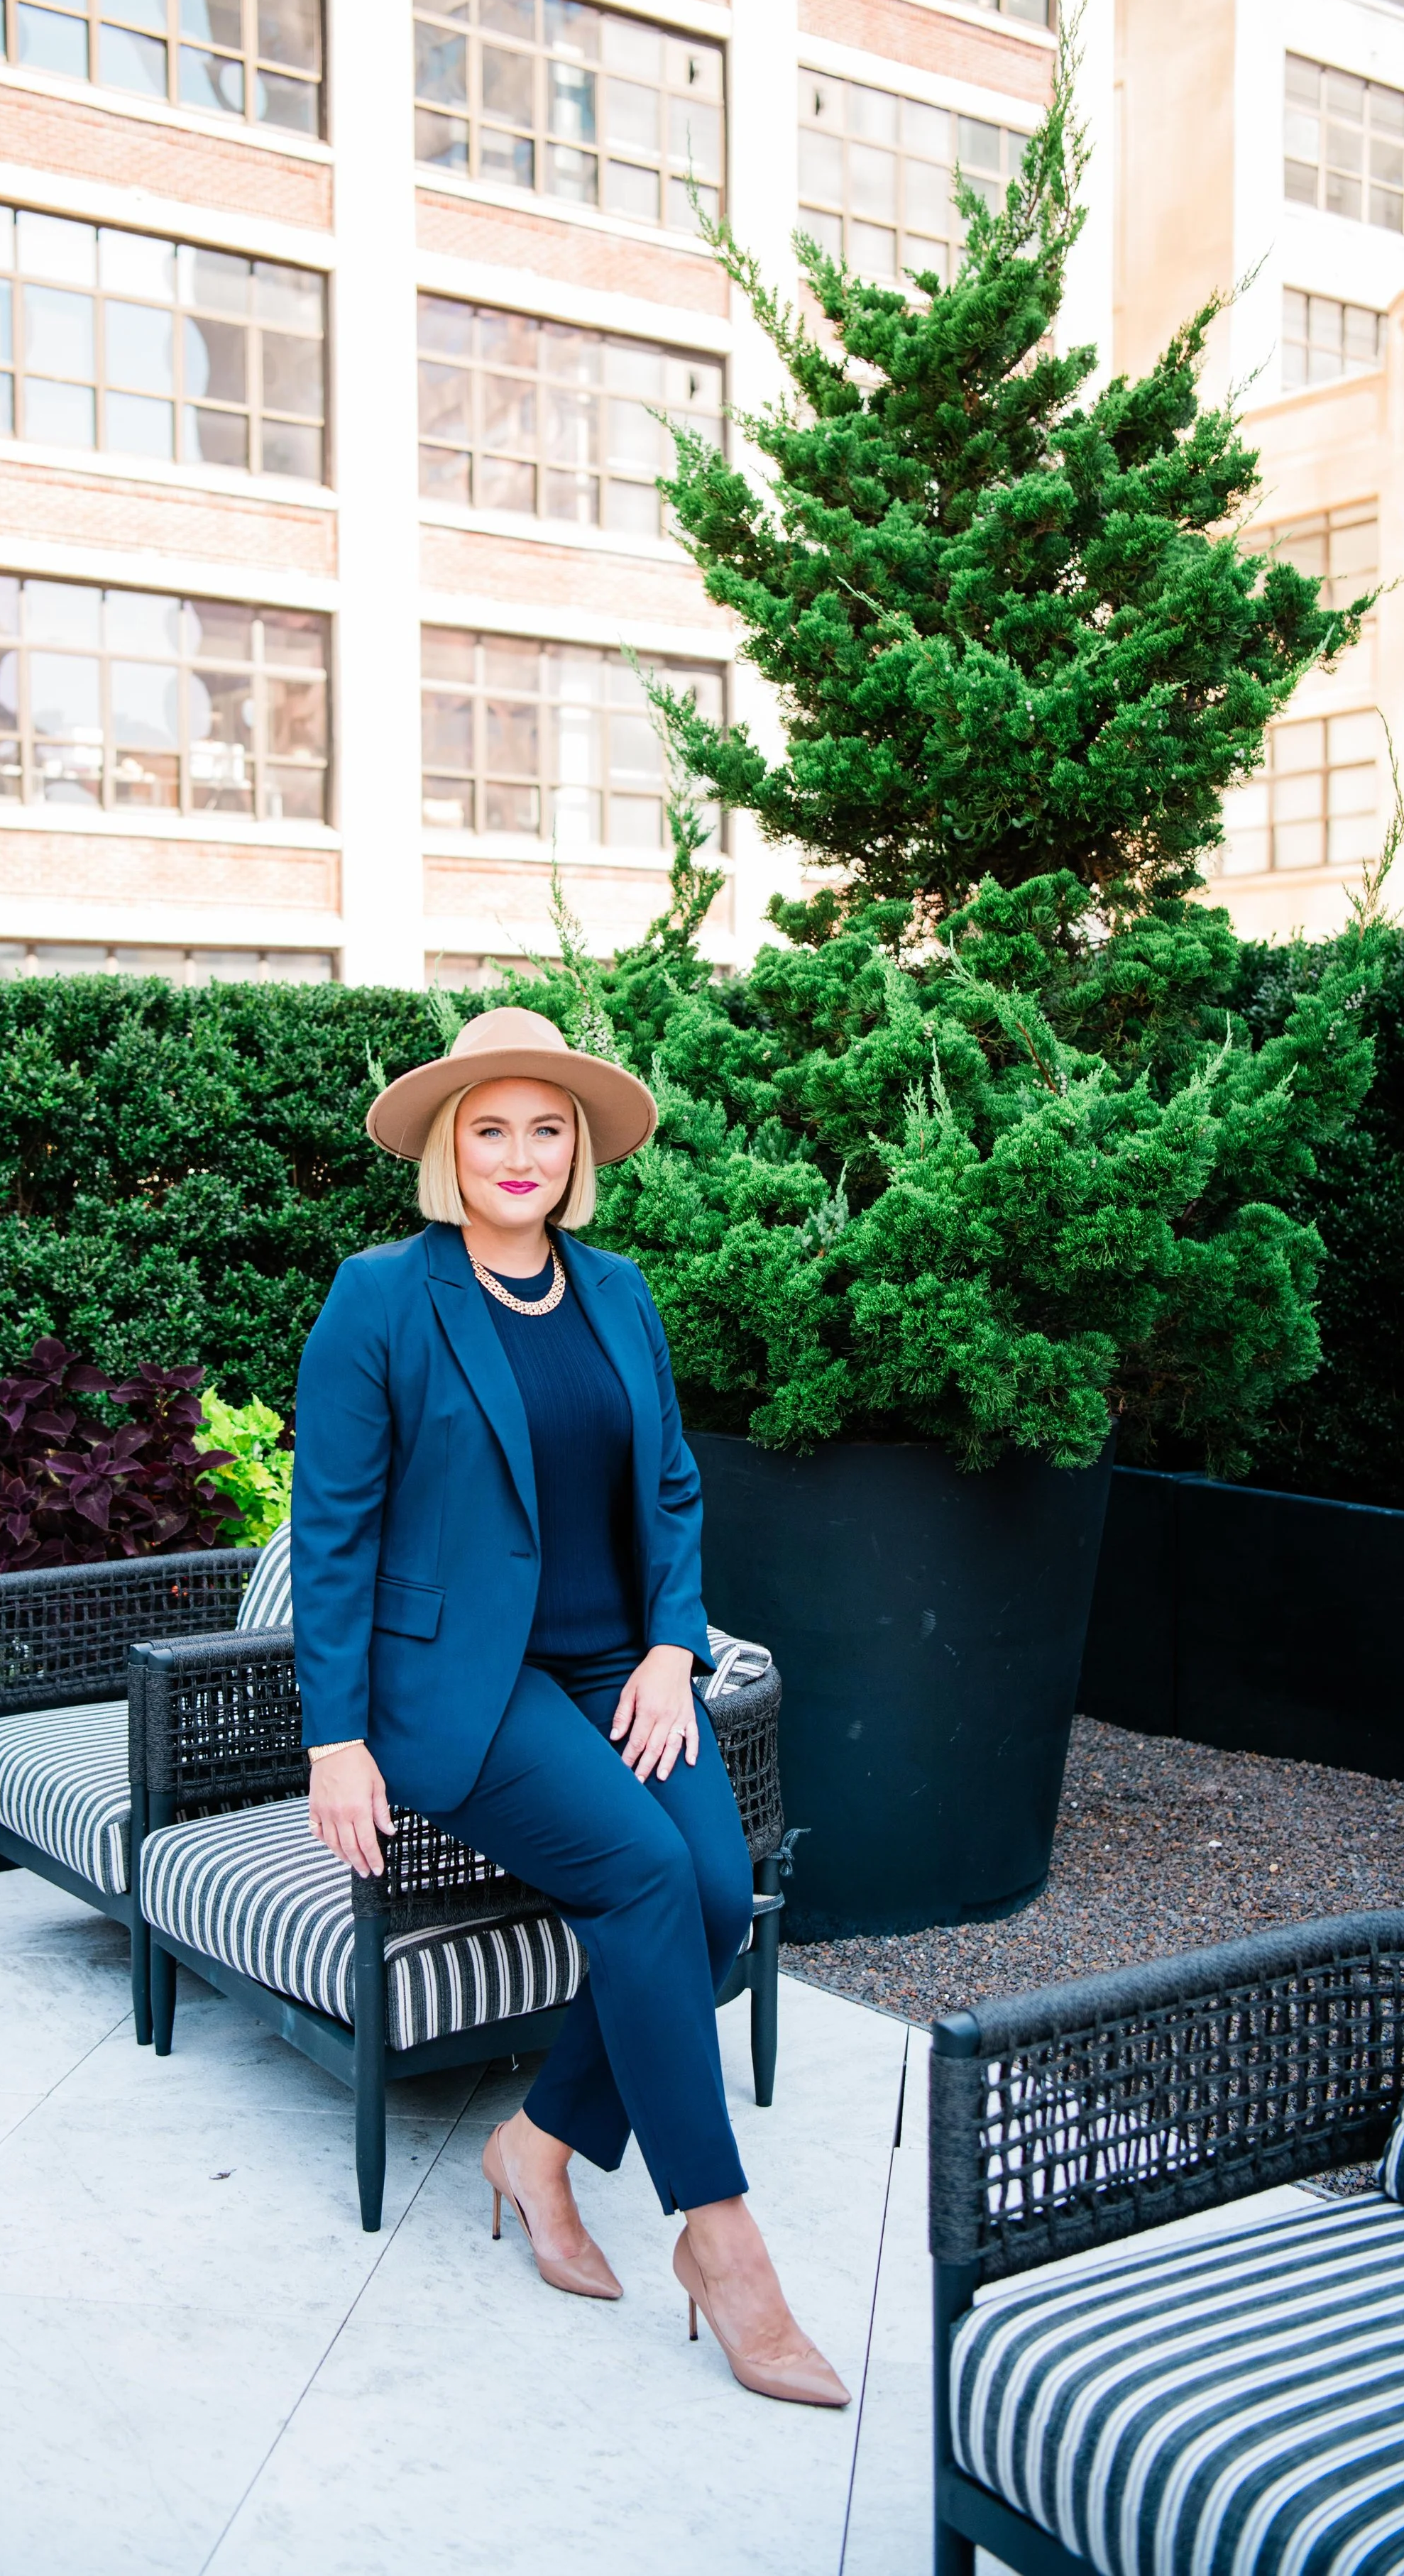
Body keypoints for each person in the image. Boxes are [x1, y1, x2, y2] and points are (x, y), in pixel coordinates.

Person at [291, 1006, 848, 2408]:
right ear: (447, 1148)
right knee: (650, 1879)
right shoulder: (382, 1295)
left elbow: (667, 1483)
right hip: (463, 1689)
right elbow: (332, 1526)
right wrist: (334, 1736)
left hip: (618, 1672)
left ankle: (535, 2145)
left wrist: (672, 1646)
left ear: (578, 1150)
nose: (520, 1153)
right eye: (490, 1128)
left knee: (715, 1894)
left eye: (547, 1128)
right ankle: (721, 2246)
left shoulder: (615, 1292)